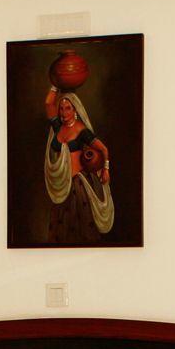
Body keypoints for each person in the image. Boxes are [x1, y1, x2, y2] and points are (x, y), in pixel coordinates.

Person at [43, 85, 115, 243]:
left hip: (78, 186)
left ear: (75, 110)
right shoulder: (58, 127)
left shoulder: (82, 131)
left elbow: (103, 149)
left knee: (81, 229)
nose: (64, 113)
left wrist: (106, 169)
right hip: (63, 186)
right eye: (61, 108)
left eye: (68, 108)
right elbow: (48, 104)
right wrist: (55, 84)